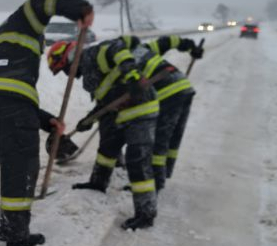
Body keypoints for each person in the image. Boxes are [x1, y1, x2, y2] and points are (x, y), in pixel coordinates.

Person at [0, 0, 93, 246]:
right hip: (10, 103)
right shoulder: (23, 23)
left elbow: (4, 95)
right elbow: (43, 0)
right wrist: (80, 8)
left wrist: (48, 122)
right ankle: (16, 234)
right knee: (18, 162)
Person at [47, 36, 160, 230]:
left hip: (140, 109)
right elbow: (106, 100)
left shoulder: (93, 54)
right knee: (107, 149)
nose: (69, 75)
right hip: (118, 113)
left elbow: (117, 47)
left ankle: (145, 213)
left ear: (70, 59)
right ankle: (98, 182)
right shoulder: (90, 73)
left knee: (137, 160)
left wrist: (132, 75)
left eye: (65, 69)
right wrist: (88, 120)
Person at [122, 35, 203, 191]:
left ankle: (156, 182)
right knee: (173, 135)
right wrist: (192, 46)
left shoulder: (123, 63)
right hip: (184, 87)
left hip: (168, 93)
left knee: (159, 138)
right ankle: (165, 172)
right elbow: (169, 40)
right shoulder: (144, 49)